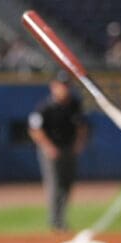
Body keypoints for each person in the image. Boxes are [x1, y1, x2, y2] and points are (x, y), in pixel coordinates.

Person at [28, 72, 88, 231]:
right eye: (61, 85)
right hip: (51, 151)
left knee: (67, 185)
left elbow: (81, 126)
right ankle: (55, 221)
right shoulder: (45, 107)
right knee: (54, 186)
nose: (65, 89)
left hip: (69, 148)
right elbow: (35, 129)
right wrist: (48, 147)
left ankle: (61, 219)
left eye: (67, 85)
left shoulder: (74, 104)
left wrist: (79, 143)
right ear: (53, 87)